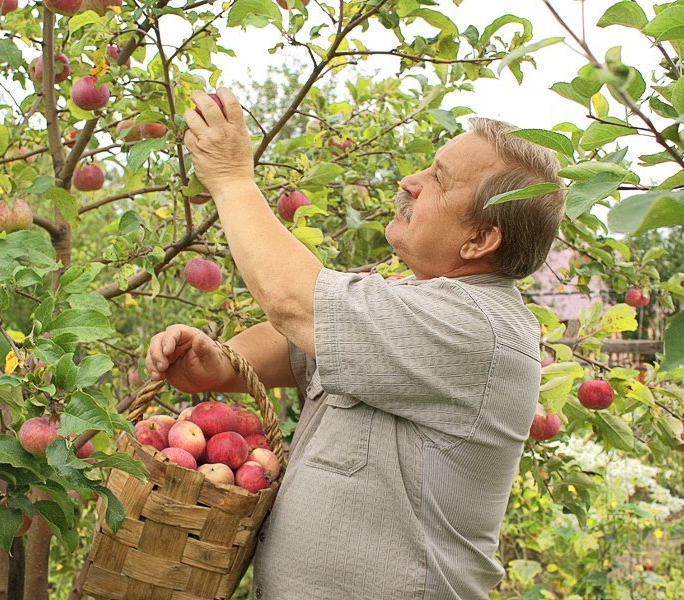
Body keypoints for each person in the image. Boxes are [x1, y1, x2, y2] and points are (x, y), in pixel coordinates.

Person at [145, 88, 565, 599]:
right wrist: (222, 365)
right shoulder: (417, 301)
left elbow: (298, 305)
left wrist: (232, 180)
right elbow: (301, 341)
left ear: (480, 240)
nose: (410, 182)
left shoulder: (476, 326)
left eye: (439, 180)